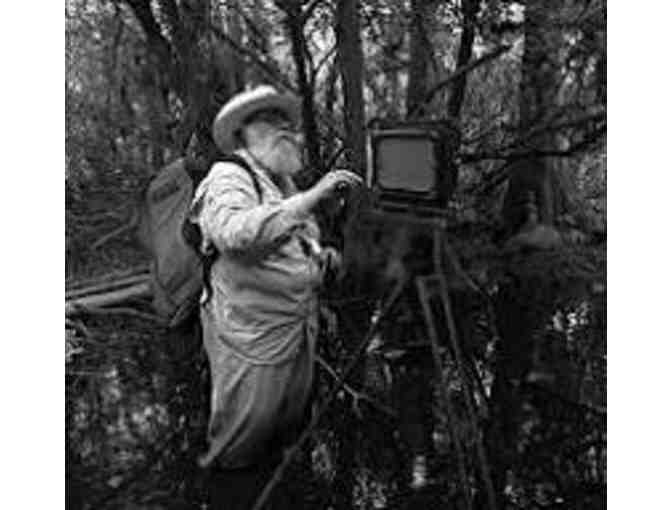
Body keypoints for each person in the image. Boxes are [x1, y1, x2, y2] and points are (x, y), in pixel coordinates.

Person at [187, 85, 361, 508]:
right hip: (252, 334)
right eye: (268, 122)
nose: (284, 130)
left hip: (295, 327)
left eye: (285, 121)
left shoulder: (280, 180)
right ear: (243, 134)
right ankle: (229, 497)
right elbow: (234, 234)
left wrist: (320, 258)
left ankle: (280, 491)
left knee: (284, 427)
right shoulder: (228, 176)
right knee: (240, 437)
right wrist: (313, 197)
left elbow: (291, 240)